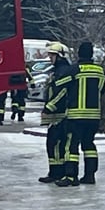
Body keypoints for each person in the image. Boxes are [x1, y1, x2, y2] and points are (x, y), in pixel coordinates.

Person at [55, 41, 105, 187]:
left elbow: (59, 84)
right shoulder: (100, 71)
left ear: (79, 54)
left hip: (76, 115)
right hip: (94, 116)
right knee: (89, 145)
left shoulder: (75, 70)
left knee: (71, 145)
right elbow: (102, 90)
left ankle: (71, 176)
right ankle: (90, 175)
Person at [38, 42, 72, 184]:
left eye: (52, 55)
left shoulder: (63, 71)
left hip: (60, 113)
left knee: (56, 144)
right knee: (52, 143)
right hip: (56, 113)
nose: (50, 58)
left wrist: (49, 107)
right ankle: (54, 172)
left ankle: (57, 173)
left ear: (60, 56)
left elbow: (61, 92)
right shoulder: (58, 70)